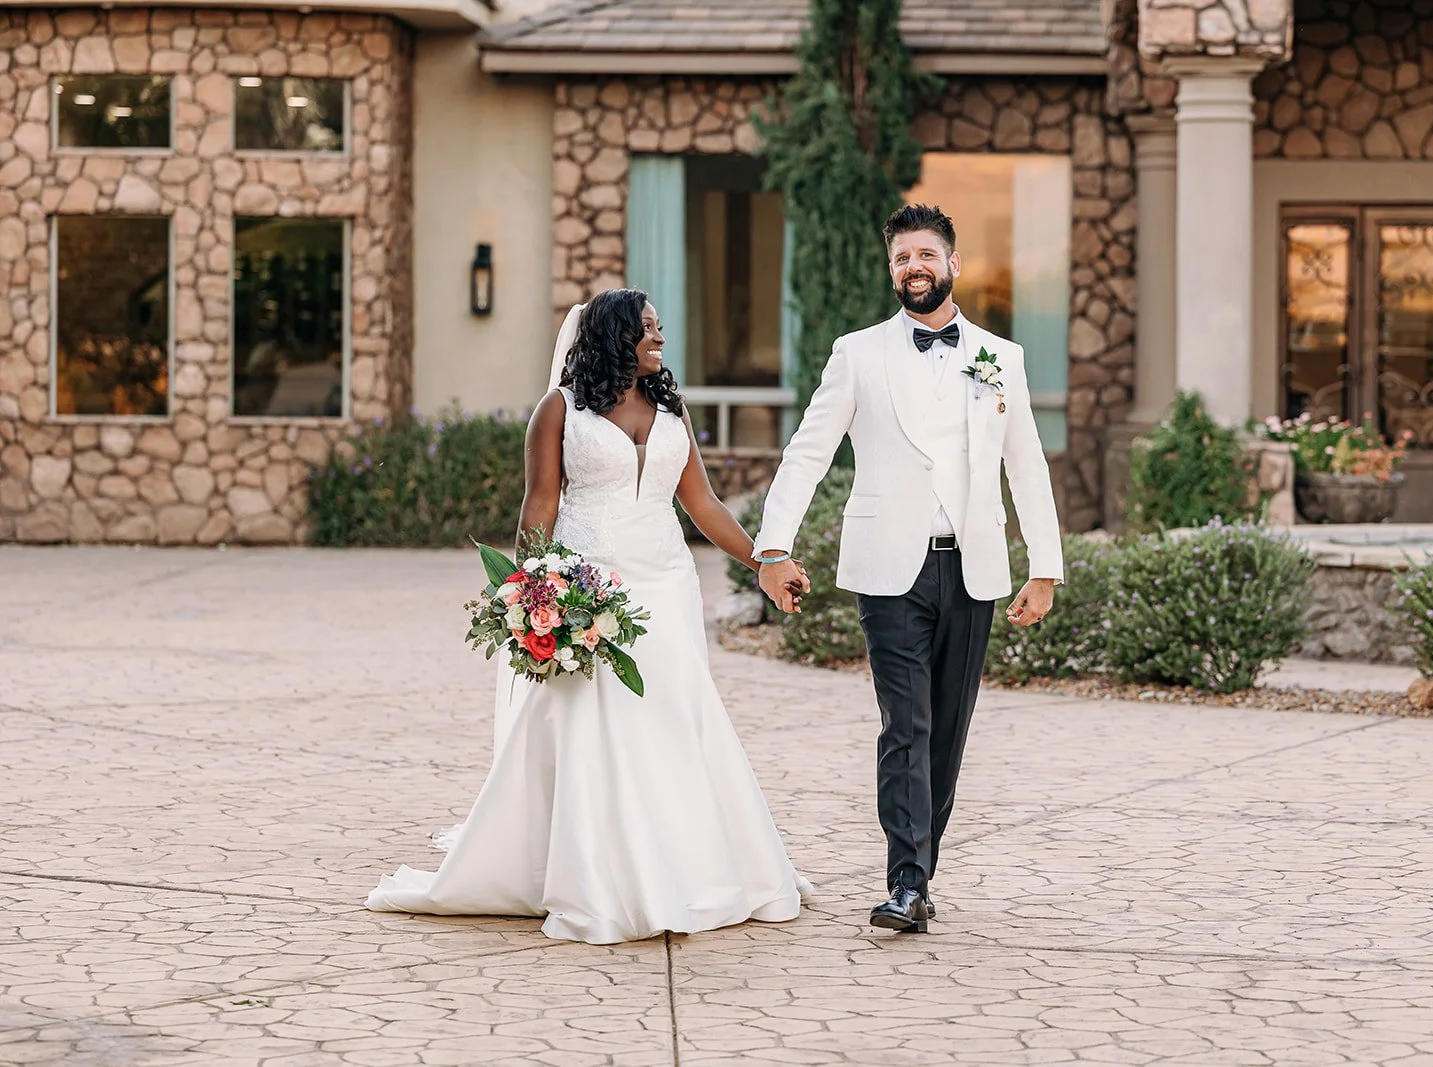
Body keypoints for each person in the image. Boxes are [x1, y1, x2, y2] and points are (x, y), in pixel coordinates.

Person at [366, 288, 813, 945]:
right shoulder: (559, 410)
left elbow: (704, 503)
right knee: (593, 726)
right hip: (590, 585)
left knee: (673, 716)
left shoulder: (671, 409)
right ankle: (599, 872)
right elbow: (538, 509)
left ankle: (684, 860)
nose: (660, 339)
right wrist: (534, 596)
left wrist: (764, 561)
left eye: (661, 329)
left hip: (665, 584)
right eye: (648, 329)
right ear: (612, 334)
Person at [753, 204, 1063, 933]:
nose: (913, 267)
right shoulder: (857, 354)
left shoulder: (1000, 358)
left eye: (926, 254)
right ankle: (906, 881)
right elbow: (807, 452)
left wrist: (1044, 566)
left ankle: (921, 868)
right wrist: (773, 546)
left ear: (953, 264)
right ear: (892, 270)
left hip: (973, 570)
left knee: (948, 732)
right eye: (901, 258)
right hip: (888, 569)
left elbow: (1027, 465)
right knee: (906, 723)